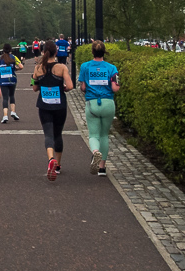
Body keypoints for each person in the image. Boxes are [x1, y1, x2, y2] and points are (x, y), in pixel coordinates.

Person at [32, 39, 74, 181]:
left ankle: (51, 159)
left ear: (43, 52)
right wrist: (62, 88)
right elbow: (70, 86)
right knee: (58, 134)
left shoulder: (38, 68)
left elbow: (34, 87)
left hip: (44, 105)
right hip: (60, 105)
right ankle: (58, 164)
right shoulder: (62, 67)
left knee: (48, 134)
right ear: (56, 52)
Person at [79, 40, 120, 177]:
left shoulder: (85, 67)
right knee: (104, 135)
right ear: (104, 52)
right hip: (108, 103)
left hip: (92, 103)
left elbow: (83, 87)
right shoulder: (111, 68)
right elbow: (115, 88)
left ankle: (95, 152)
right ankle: (102, 167)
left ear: (92, 52)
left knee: (94, 135)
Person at [0, 43, 23, 123]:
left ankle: (5, 116)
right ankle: (13, 111)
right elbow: (21, 66)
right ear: (10, 50)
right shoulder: (13, 57)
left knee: (5, 97)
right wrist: (16, 69)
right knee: (12, 95)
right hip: (12, 79)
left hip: (3, 80)